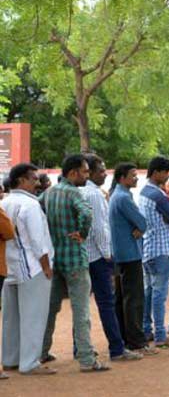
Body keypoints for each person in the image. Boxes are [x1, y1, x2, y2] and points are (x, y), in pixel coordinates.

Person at [41, 154, 109, 372]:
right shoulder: (74, 193)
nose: (87, 176)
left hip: (55, 258)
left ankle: (41, 352)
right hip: (75, 260)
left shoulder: (49, 193)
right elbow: (87, 213)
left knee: (50, 309)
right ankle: (87, 359)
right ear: (73, 173)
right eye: (85, 171)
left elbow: (39, 209)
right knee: (81, 312)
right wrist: (82, 232)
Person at [79, 154, 140, 362]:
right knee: (106, 303)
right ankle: (117, 349)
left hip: (83, 255)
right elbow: (99, 229)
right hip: (97, 256)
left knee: (82, 305)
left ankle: (79, 348)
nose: (105, 174)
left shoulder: (80, 191)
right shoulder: (95, 194)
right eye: (101, 170)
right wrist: (107, 256)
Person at [1, 163, 57, 376]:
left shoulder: (5, 203)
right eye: (33, 179)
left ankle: (10, 359)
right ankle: (29, 363)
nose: (37, 182)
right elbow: (36, 240)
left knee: (10, 317)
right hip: (33, 268)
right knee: (34, 316)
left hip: (10, 267)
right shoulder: (31, 205)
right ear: (21, 181)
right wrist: (46, 266)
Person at [138, 155, 169, 349]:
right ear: (157, 172)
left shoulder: (144, 192)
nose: (167, 176)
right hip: (160, 248)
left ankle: (147, 329)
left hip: (148, 248)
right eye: (165, 172)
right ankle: (160, 334)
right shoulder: (158, 195)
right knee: (159, 293)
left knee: (149, 291)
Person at [109, 162, 153, 354]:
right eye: (133, 175)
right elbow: (143, 221)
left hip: (121, 253)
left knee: (122, 298)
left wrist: (139, 228)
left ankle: (127, 338)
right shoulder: (123, 198)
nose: (136, 178)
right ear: (122, 177)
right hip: (129, 253)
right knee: (134, 298)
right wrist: (140, 228)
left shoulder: (117, 195)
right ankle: (136, 341)